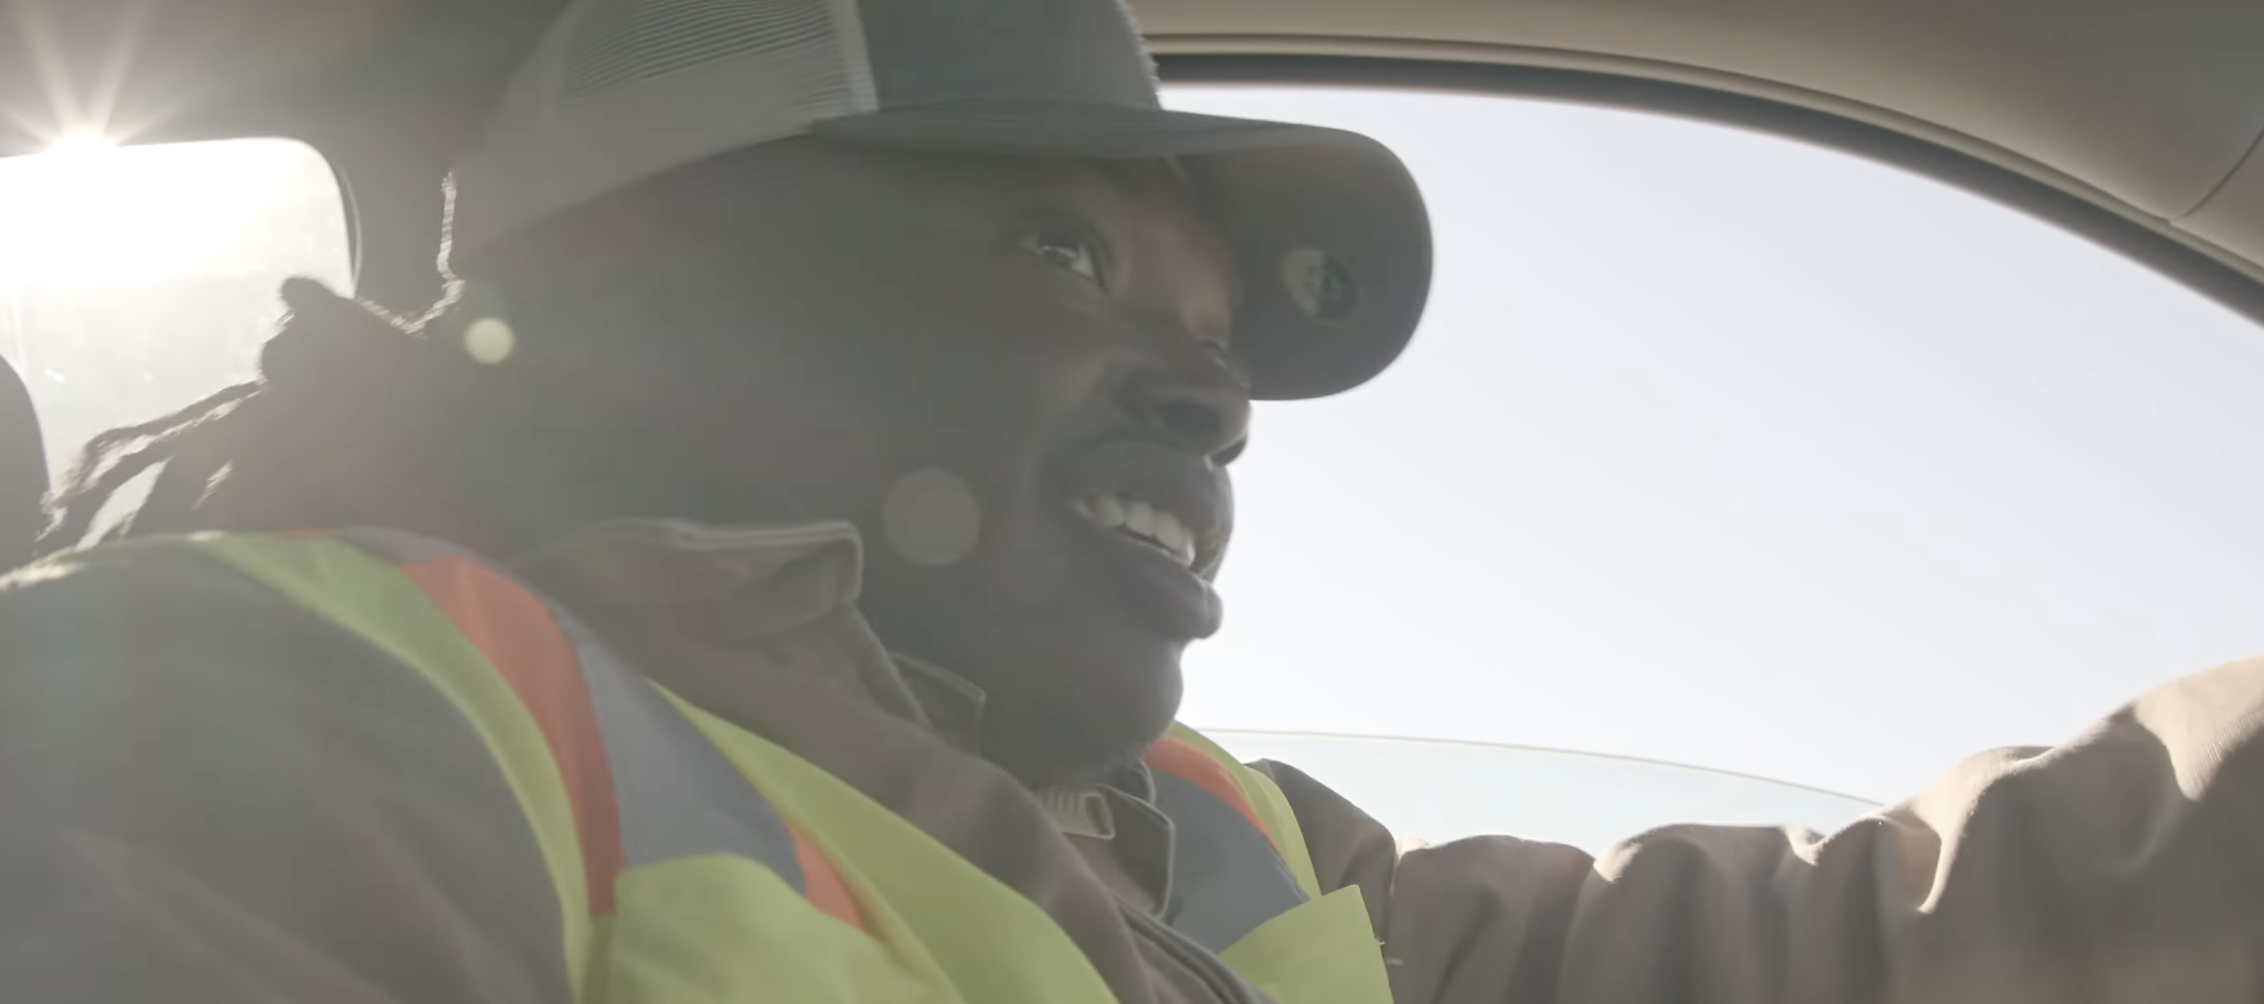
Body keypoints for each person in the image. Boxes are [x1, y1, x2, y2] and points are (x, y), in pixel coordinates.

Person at [5, 0, 2264, 1001]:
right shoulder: (238, 704)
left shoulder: (1218, 851)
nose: (1213, 395)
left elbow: (1880, 938)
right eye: (1066, 258)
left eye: (1222, 333)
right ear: (675, 288)